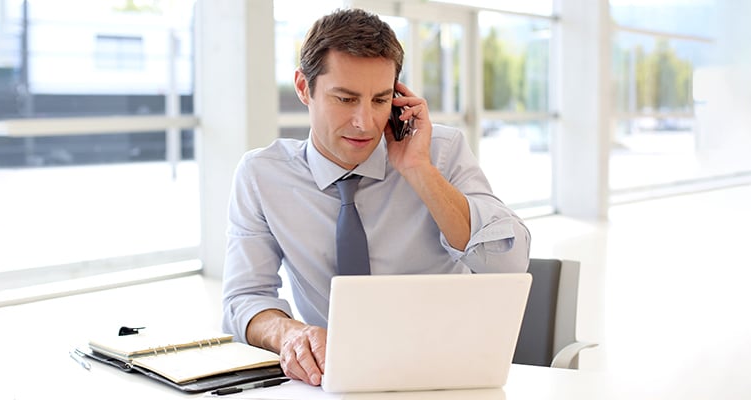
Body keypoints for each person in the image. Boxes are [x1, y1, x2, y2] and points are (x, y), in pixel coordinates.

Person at [222, 8, 530, 387]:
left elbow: (509, 262)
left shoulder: (441, 152)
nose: (365, 122)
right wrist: (291, 335)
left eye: (380, 100)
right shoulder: (261, 175)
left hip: (445, 378)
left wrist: (419, 170)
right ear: (304, 88)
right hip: (333, 382)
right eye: (346, 99)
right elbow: (244, 299)